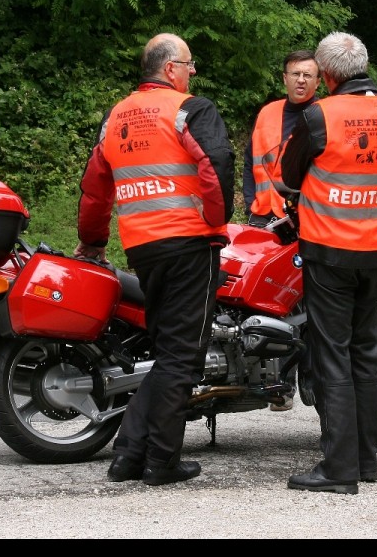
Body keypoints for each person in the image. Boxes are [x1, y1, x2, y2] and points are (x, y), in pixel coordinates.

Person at [74, 32, 235, 485]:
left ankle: (128, 455)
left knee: (167, 355)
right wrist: (217, 221)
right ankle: (161, 462)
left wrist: (92, 240)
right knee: (182, 358)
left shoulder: (116, 116)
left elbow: (95, 187)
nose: (194, 71)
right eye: (189, 63)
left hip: (142, 247)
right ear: (170, 69)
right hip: (189, 244)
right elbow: (216, 163)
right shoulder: (190, 109)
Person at [279, 31, 377, 494]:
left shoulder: (319, 116)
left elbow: (289, 175)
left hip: (329, 251)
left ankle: (338, 469)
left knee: (332, 355)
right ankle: (365, 460)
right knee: (365, 351)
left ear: (329, 75)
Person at [242, 49, 321, 412]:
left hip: (306, 224)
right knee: (265, 305)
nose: (301, 80)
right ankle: (277, 384)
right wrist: (249, 205)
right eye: (295, 73)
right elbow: (249, 160)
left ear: (318, 81)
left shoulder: (322, 116)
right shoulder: (268, 113)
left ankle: (309, 377)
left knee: (305, 307)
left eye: (308, 74)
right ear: (284, 78)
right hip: (264, 220)